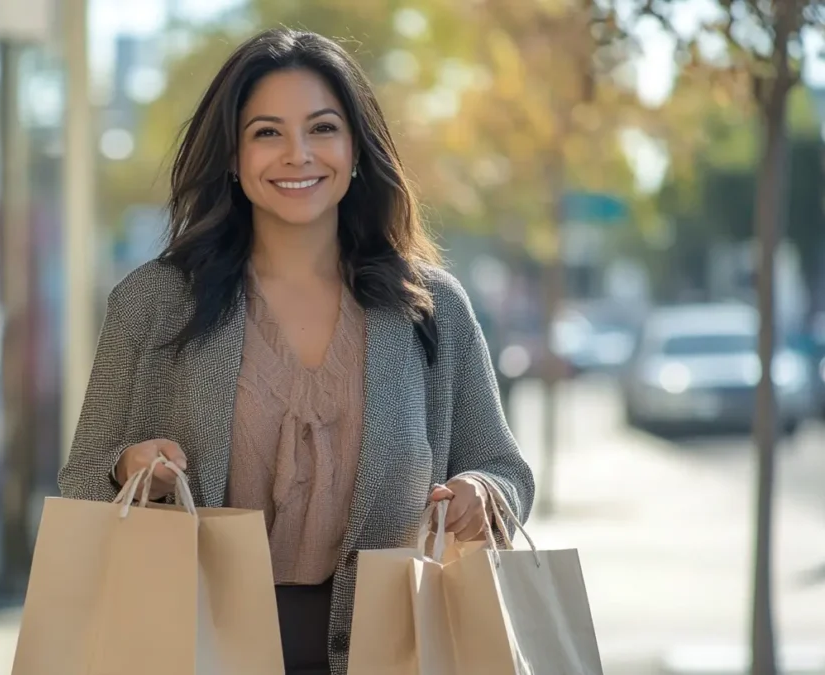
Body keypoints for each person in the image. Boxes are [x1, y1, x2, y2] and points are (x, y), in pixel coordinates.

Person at [59, 27, 534, 675]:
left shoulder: (431, 307)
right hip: (192, 648)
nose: (298, 154)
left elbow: (505, 469)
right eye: (266, 133)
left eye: (322, 129)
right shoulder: (154, 302)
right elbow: (82, 480)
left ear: (357, 148)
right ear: (232, 154)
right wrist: (129, 468)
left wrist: (481, 489)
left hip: (395, 649)